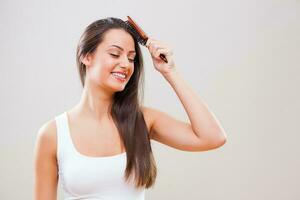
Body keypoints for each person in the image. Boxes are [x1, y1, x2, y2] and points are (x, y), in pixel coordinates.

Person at [33, 17, 227, 200]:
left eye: (132, 58)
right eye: (115, 54)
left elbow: (212, 137)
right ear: (86, 56)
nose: (125, 64)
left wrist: (170, 72)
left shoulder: (143, 120)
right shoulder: (53, 134)